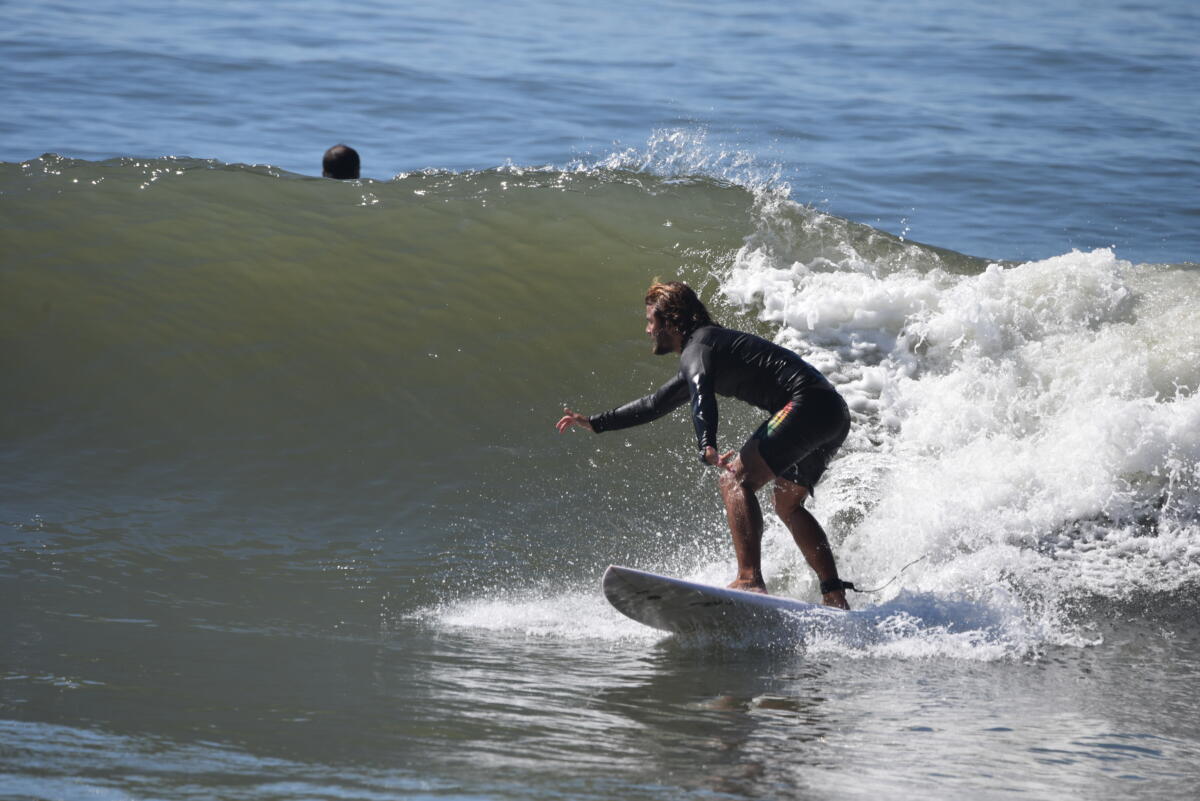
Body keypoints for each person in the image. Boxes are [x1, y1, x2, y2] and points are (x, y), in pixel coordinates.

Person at [556, 280, 853, 609]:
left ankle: (749, 579)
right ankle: (834, 595)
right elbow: (655, 404)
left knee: (734, 480)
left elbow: (701, 394)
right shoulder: (705, 348)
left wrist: (707, 443)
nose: (647, 330)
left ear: (670, 320)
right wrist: (597, 422)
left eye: (651, 321)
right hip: (832, 412)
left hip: (806, 406)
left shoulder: (697, 348)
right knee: (787, 505)